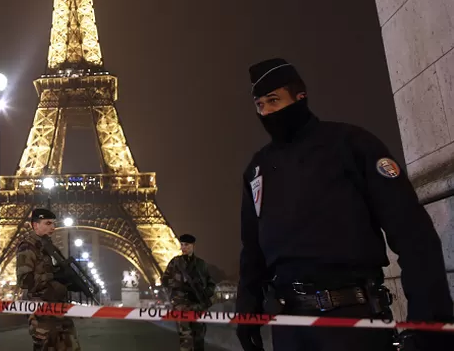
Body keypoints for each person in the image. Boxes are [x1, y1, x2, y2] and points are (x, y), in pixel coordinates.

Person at [235, 58, 454, 351]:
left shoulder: (353, 146)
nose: (267, 111)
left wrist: (428, 321)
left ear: (301, 96)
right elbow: (252, 250)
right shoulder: (256, 170)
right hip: (290, 328)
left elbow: (413, 234)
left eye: (274, 100)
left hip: (353, 323)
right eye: (260, 105)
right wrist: (247, 304)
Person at [16, 208, 81, 351]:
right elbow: (24, 281)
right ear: (35, 225)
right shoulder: (28, 247)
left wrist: (68, 282)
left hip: (59, 309)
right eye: (48, 223)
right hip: (42, 312)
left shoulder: (50, 248)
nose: (53, 227)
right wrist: (53, 276)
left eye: (53, 223)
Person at [162, 234, 215, 351]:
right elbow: (164, 280)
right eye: (182, 245)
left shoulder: (201, 264)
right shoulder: (175, 262)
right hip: (181, 305)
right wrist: (179, 284)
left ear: (193, 246)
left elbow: (211, 283)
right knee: (186, 339)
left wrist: (206, 294)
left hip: (198, 305)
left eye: (186, 245)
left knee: (199, 338)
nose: (183, 247)